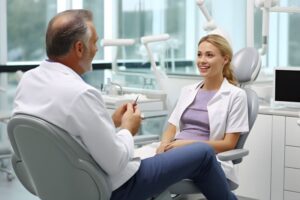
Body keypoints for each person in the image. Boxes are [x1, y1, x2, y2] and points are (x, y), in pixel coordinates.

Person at [12, 9, 237, 200]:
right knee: (202, 154)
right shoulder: (81, 94)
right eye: (94, 42)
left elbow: (69, 137)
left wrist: (111, 122)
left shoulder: (29, 81)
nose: (97, 48)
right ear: (79, 48)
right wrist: (128, 128)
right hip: (114, 186)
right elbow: (116, 163)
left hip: (58, 181)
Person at [156, 34, 249, 184]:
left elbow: (228, 144)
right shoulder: (188, 90)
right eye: (199, 55)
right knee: (131, 167)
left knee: (147, 176)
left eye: (209, 55)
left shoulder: (236, 95)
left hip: (205, 159)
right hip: (174, 151)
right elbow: (171, 128)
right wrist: (163, 145)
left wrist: (187, 146)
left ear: (225, 59)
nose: (202, 60)